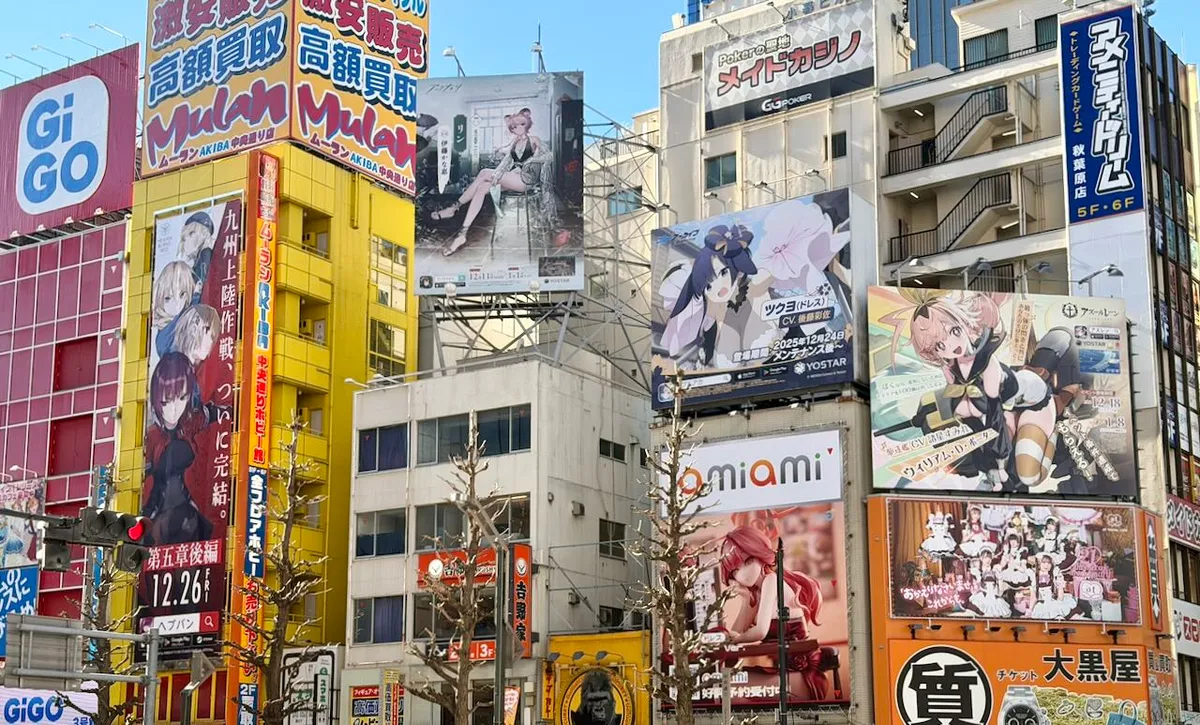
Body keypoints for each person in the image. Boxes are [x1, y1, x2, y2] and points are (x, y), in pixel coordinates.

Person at [719, 525, 830, 700]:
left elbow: (759, 631)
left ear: (760, 556)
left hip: (803, 675)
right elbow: (736, 633)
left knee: (728, 687)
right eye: (736, 570)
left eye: (748, 562)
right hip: (784, 672)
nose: (744, 574)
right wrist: (745, 600)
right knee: (725, 683)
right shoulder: (757, 592)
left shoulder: (772, 580)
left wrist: (735, 637)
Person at [430, 108, 554, 257]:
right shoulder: (515, 143)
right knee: (482, 187)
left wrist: (533, 160)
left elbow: (549, 156)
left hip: (526, 180)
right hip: (514, 177)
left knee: (484, 173)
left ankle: (453, 208)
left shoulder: (534, 140)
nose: (516, 128)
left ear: (526, 124)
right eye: (513, 126)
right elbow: (505, 163)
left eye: (520, 124)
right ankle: (462, 234)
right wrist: (498, 173)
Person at [141, 352, 216, 546]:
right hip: (160, 513)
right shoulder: (152, 437)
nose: (173, 409)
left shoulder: (194, 421)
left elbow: (219, 413)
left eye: (181, 398)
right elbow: (145, 482)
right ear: (157, 401)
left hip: (192, 510)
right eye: (166, 402)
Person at [151, 261, 197, 357]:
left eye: (182, 295)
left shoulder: (193, 310)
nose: (176, 304)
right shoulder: (163, 338)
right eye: (168, 298)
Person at [178, 211, 216, 297]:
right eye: (184, 238)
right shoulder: (197, 262)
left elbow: (203, 288)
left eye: (191, 233)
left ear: (204, 234)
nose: (186, 240)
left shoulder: (205, 254)